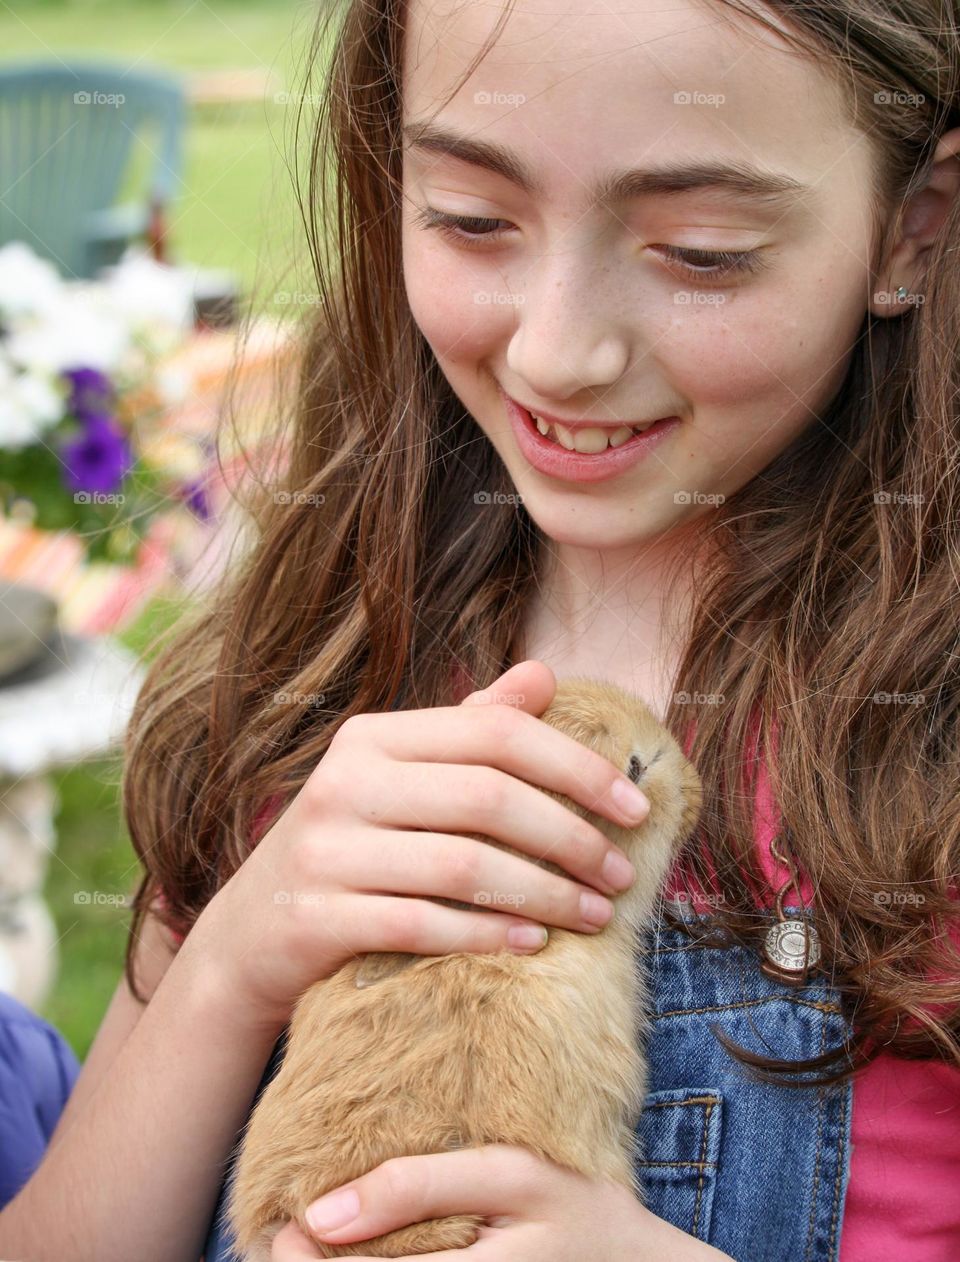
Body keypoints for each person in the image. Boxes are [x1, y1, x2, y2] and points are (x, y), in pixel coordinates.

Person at [2, 0, 959, 1256]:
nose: (559, 351)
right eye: (471, 218)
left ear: (913, 230)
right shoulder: (312, 668)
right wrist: (232, 962)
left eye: (702, 248)